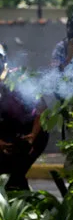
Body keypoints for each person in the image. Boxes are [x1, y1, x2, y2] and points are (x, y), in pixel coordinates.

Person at [0, 43, 49, 191]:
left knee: (16, 173)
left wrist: (33, 135)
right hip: (4, 132)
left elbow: (41, 107)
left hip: (30, 131)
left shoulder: (18, 77)